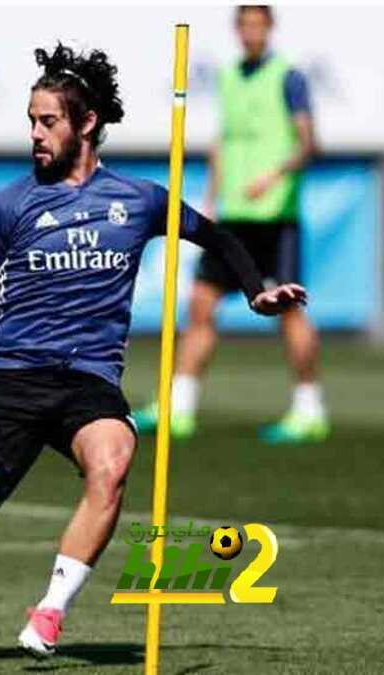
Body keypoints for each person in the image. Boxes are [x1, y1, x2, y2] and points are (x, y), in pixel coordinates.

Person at [0, 43, 306, 671]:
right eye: (31, 122)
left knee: (113, 463)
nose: (35, 134)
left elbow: (217, 235)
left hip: (88, 379)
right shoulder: (7, 205)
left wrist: (256, 292)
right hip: (12, 377)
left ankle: (50, 610)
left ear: (86, 123)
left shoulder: (139, 199)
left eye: (48, 121)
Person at [133, 5, 327, 443]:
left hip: (275, 216)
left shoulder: (288, 78)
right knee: (201, 305)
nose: (251, 34)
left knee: (290, 310)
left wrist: (273, 176)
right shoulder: (228, 77)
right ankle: (178, 407)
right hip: (233, 216)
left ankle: (309, 408)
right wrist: (211, 197)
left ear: (270, 29)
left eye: (258, 25)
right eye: (245, 26)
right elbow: (224, 141)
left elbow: (309, 142)